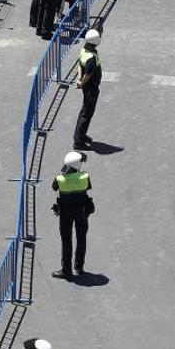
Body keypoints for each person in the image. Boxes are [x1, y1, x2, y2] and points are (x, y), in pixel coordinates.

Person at [51, 150, 93, 279]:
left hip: (65, 213)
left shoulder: (59, 180)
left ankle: (66, 270)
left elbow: (54, 187)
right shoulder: (85, 177)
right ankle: (79, 267)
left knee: (66, 241)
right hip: (81, 212)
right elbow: (88, 187)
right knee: (81, 238)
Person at [73, 28, 102, 150]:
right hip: (91, 88)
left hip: (87, 86)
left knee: (85, 111)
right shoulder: (91, 57)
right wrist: (81, 82)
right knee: (86, 113)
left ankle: (81, 135)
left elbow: (80, 65)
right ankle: (78, 141)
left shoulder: (83, 51)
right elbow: (89, 74)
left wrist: (79, 80)